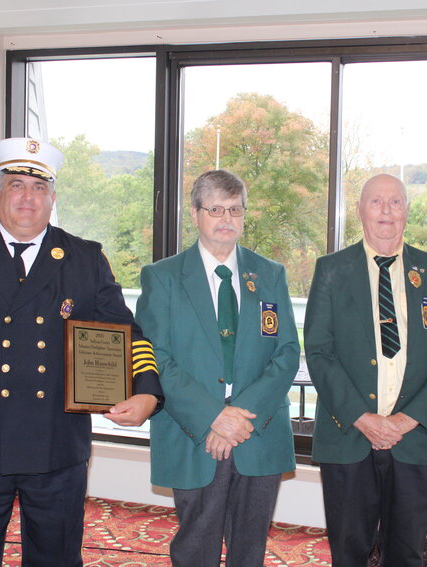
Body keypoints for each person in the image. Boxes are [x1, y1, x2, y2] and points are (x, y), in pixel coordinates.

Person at [0, 137, 163, 566]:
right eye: (17, 185)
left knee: (55, 557)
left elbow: (125, 334)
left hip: (55, 444)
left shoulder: (84, 257)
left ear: (52, 199)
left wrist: (147, 392)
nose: (27, 197)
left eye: (39, 188)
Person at [136, 169, 299, 567]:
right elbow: (156, 356)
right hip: (194, 433)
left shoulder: (270, 274)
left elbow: (288, 353)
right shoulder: (162, 277)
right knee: (196, 548)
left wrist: (238, 416)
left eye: (235, 210)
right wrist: (214, 417)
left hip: (256, 432)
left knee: (250, 550)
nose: (227, 219)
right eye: (215, 209)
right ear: (195, 214)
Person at [304, 173, 427, 566]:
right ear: (360, 211)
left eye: (395, 202)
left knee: (407, 554)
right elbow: (320, 352)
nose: (386, 211)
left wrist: (407, 420)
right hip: (348, 438)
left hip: (413, 439)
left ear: (407, 210)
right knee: (349, 552)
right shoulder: (331, 270)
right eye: (376, 202)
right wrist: (364, 418)